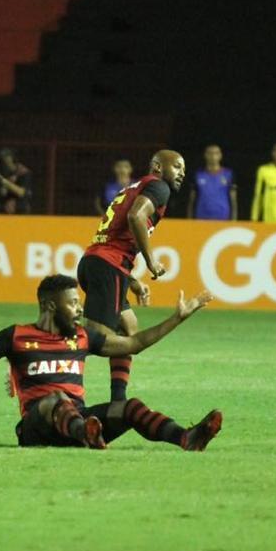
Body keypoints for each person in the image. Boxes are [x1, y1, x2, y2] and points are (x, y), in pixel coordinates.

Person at [0, 274, 222, 451]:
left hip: (81, 421)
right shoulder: (16, 336)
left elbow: (134, 343)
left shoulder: (82, 337)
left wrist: (177, 319)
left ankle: (187, 438)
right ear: (50, 306)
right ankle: (87, 436)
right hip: (35, 428)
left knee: (130, 407)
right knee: (55, 399)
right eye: (73, 303)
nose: (80, 308)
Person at [77, 149, 185, 403]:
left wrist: (132, 282)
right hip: (107, 265)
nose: (181, 173)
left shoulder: (134, 187)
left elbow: (118, 233)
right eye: (177, 167)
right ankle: (38, 355)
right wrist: (151, 261)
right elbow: (136, 216)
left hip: (96, 261)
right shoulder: (159, 187)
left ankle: (119, 400)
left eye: (184, 170)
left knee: (128, 327)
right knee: (94, 341)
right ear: (158, 166)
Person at [188, 144, 237, 221]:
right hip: (201, 219)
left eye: (216, 153)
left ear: (220, 155)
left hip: (223, 219)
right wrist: (189, 220)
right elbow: (191, 201)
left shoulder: (229, 174)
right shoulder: (197, 175)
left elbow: (233, 201)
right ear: (205, 155)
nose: (213, 156)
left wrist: (234, 220)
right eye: (210, 153)